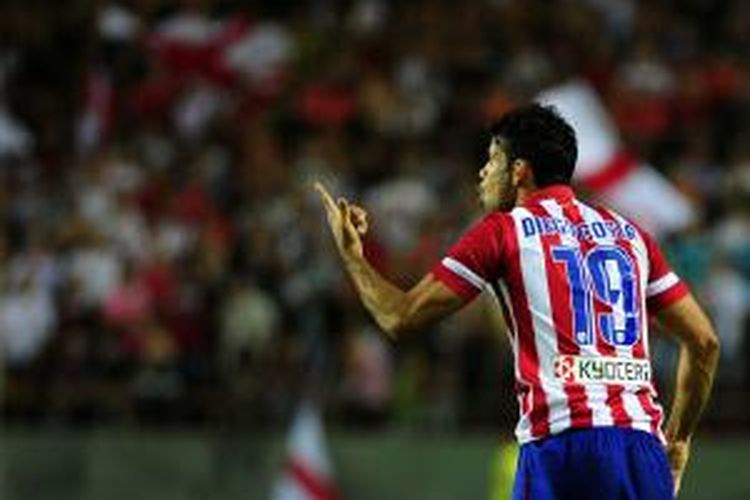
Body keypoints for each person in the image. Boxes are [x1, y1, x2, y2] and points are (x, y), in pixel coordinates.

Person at [314, 104, 719, 499]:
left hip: (561, 447)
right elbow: (703, 343)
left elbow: (399, 317)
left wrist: (352, 255)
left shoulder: (503, 232)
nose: (483, 173)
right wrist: (678, 441)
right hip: (641, 452)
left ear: (519, 170)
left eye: (492, 160)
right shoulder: (630, 235)